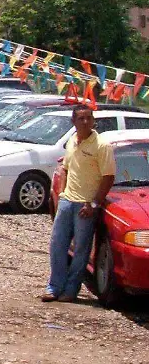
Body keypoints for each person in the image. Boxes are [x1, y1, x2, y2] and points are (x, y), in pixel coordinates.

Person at [41, 105, 115, 303]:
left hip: (86, 206)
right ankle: (54, 287)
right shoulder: (72, 141)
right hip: (67, 202)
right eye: (81, 118)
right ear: (73, 122)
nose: (85, 122)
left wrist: (93, 204)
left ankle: (71, 290)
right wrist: (63, 193)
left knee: (81, 250)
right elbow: (65, 168)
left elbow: (108, 177)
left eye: (89, 118)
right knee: (58, 245)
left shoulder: (101, 146)